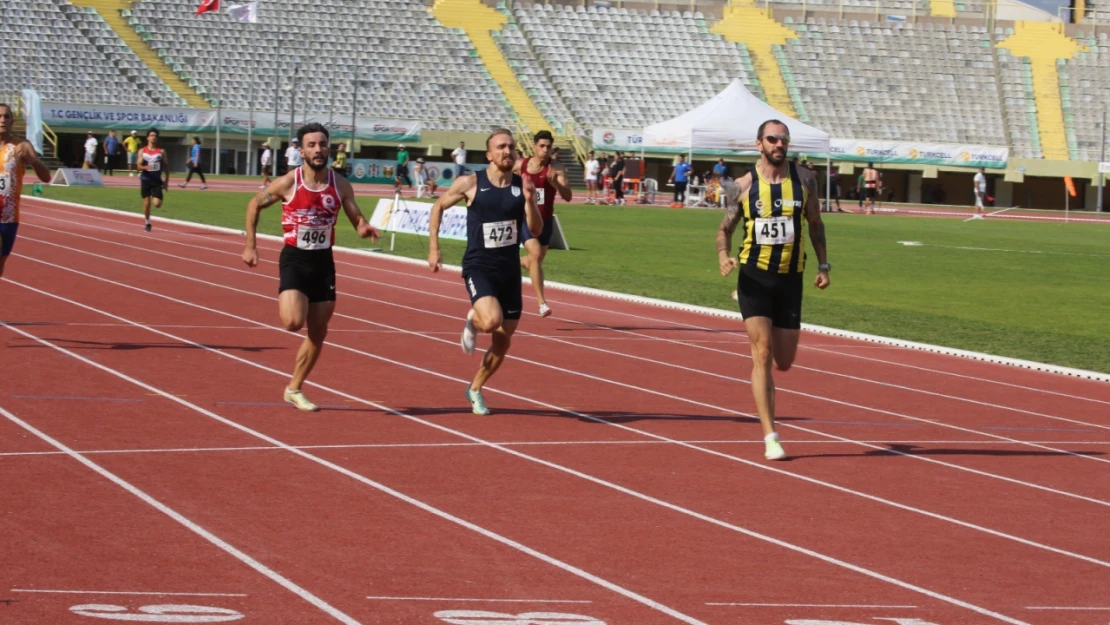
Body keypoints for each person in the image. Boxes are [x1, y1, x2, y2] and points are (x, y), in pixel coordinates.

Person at [241, 122, 380, 412]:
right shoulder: (289, 183)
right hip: (295, 258)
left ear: (329, 148)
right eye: (312, 145)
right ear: (301, 150)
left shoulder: (339, 183)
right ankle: (291, 302)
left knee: (318, 332)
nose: (318, 150)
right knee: (293, 322)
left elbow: (356, 218)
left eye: (322, 144)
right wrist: (250, 245)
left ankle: (294, 388)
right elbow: (255, 204)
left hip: (323, 262)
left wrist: (363, 226)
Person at [716, 119, 830, 461]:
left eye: (784, 139)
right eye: (772, 139)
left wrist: (824, 265)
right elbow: (725, 228)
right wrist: (724, 255)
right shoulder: (742, 185)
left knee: (784, 361)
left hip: (790, 278)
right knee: (761, 352)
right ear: (759, 144)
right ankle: (771, 435)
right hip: (753, 277)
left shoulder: (806, 180)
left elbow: (815, 223)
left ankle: (770, 427)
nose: (779, 144)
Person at [427, 128, 542, 415]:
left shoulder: (522, 185)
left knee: (503, 341)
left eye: (511, 147)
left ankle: (475, 389)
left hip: (509, 271)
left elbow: (536, 230)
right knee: (491, 320)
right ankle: (475, 319)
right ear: (489, 155)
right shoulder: (470, 183)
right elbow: (438, 206)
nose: (507, 151)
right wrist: (433, 247)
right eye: (501, 147)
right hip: (479, 265)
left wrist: (530, 201)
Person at [516, 130, 571, 318]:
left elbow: (568, 196)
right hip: (524, 219)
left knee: (534, 262)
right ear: (534, 147)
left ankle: (509, 261)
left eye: (548, 147)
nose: (545, 150)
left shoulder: (557, 168)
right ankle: (542, 303)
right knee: (536, 253)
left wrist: (556, 183)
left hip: (546, 221)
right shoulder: (521, 165)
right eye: (542, 146)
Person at [0, 103, 52, 279]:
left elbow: (46, 178)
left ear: (12, 121)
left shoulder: (21, 146)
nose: (2, 120)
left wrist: (33, 160)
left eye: (6, 116)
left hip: (8, 217)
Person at [137, 129, 168, 232]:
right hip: (145, 179)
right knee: (146, 203)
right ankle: (147, 222)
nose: (153, 137)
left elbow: (166, 166)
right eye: (151, 135)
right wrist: (146, 167)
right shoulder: (142, 151)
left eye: (155, 135)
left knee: (157, 204)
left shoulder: (162, 151)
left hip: (156, 181)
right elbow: (138, 166)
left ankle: (148, 220)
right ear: (148, 138)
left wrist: (166, 180)